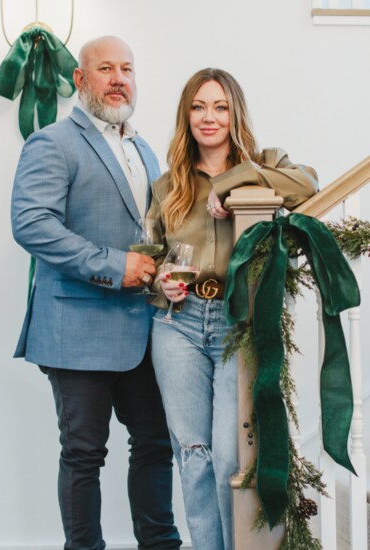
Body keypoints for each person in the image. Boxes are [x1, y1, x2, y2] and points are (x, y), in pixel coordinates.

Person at [11, 36, 181, 550]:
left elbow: (154, 233)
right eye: (104, 68)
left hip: (144, 331)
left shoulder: (146, 148)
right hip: (75, 330)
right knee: (84, 454)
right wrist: (114, 266)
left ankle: (161, 544)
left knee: (155, 444)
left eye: (126, 68)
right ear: (80, 80)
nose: (118, 78)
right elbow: (32, 224)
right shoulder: (52, 142)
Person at [148, 68, 318, 550]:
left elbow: (307, 184)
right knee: (194, 454)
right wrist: (161, 284)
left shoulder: (266, 163)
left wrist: (231, 182)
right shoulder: (169, 185)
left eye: (220, 107)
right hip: (177, 326)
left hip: (235, 321)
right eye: (199, 107)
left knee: (229, 454)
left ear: (234, 112)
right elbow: (154, 255)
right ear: (187, 114)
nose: (209, 117)